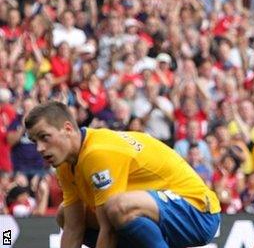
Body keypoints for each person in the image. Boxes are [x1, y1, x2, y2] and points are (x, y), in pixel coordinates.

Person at [24, 101, 220, 248]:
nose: (40, 148)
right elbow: (74, 227)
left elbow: (107, 230)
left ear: (67, 129)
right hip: (160, 213)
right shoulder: (66, 163)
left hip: (198, 212)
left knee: (117, 207)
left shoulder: (97, 153)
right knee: (64, 215)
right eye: (34, 142)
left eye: (44, 137)